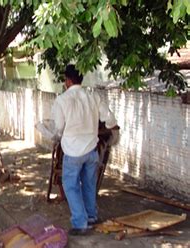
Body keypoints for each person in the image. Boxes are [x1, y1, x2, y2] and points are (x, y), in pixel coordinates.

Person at [51, 64, 118, 236]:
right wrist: (112, 128)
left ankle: (80, 223)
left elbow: (58, 128)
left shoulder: (62, 100)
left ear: (68, 80)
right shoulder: (93, 96)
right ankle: (92, 216)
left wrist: (55, 136)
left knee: (71, 186)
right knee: (89, 184)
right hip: (91, 150)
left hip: (73, 152)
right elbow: (109, 118)